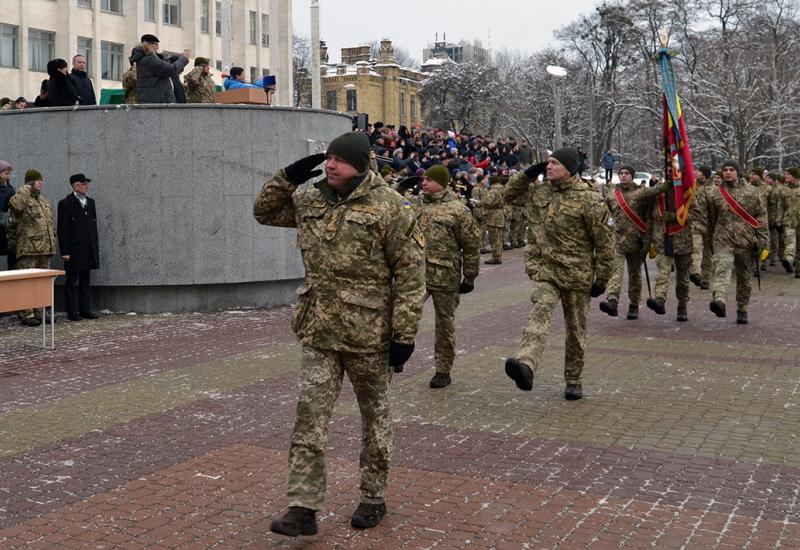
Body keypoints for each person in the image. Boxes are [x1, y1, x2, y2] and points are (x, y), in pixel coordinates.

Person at [253, 132, 426, 536]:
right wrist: (287, 177)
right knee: (309, 418)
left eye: (340, 160)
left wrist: (404, 335)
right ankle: (303, 506)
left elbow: (410, 276)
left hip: (370, 335)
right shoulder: (310, 199)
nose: (330, 165)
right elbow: (263, 211)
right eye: (328, 158)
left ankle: (373, 495)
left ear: (361, 165)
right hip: (319, 329)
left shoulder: (391, 207)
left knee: (374, 419)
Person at [503, 148, 614, 400]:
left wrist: (602, 279)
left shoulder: (589, 199)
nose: (548, 166)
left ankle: (573, 379)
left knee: (575, 330)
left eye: (555, 163)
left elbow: (606, 243)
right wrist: (526, 175)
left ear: (570, 168)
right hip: (547, 271)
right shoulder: (541, 191)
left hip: (577, 275)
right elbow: (507, 196)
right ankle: (526, 364)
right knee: (538, 313)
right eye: (548, 163)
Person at [410, 165, 480, 388]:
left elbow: (471, 245)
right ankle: (397, 356)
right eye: (423, 179)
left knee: (444, 326)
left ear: (441, 182)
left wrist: (470, 276)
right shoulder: (416, 205)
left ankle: (443, 369)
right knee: (404, 316)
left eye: (429, 180)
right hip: (415, 274)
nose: (424, 183)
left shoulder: (457, 210)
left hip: (445, 277)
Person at [703, 160, 768, 324]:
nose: (728, 172)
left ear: (738, 172)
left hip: (746, 242)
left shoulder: (752, 192)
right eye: (725, 170)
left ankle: (742, 308)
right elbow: (711, 218)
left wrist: (763, 242)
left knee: (744, 278)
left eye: (731, 169)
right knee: (721, 270)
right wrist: (711, 239)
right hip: (723, 240)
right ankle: (719, 301)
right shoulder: (715, 194)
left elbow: (761, 217)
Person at [599, 165, 668, 319]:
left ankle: (634, 305)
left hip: (636, 241)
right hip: (616, 240)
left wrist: (647, 240)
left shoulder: (641, 193)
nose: (623, 176)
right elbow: (606, 215)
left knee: (635, 275)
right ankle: (612, 301)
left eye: (627, 173)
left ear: (632, 176)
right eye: (621, 173)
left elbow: (655, 197)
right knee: (615, 271)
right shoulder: (612, 194)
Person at [7, 170, 56, 326]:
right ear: (29, 183)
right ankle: (27, 314)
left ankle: (40, 312)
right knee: (26, 283)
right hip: (28, 249)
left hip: (45, 249)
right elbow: (12, 219)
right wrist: (25, 189)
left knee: (42, 284)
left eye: (41, 180)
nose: (40, 182)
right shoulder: (21, 198)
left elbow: (50, 224)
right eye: (36, 180)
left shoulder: (43, 201)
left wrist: (52, 240)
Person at [57, 174, 100, 321]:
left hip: (88, 249)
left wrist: (95, 248)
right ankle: (72, 311)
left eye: (87, 183)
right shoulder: (65, 203)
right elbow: (62, 229)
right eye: (84, 183)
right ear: (75, 186)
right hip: (74, 250)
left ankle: (85, 309)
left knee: (85, 281)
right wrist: (65, 251)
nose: (87, 186)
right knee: (72, 281)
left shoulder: (91, 202)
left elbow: (93, 228)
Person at [646, 189, 693, 321]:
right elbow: (649, 218)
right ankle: (660, 299)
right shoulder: (657, 195)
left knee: (682, 278)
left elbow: (698, 215)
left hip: (682, 241)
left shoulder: (687, 192)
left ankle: (682, 305)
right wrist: (647, 240)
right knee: (663, 272)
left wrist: (675, 216)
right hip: (662, 241)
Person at [131, 35, 190, 104]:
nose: (157, 47)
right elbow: (170, 70)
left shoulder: (144, 59)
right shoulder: (149, 59)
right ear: (149, 44)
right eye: (156, 44)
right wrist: (184, 58)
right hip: (156, 103)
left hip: (152, 101)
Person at [689, 166, 714, 289]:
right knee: (695, 249)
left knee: (708, 254)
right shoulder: (692, 187)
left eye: (698, 171)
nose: (696, 172)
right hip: (696, 224)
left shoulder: (713, 189)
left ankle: (706, 279)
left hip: (709, 226)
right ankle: (697, 272)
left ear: (704, 174)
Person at [779, 167, 800, 276]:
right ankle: (788, 260)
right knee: (790, 241)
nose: (785, 176)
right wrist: (778, 220)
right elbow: (780, 206)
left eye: (788, 174)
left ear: (795, 176)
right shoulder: (783, 189)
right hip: (788, 221)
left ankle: (798, 270)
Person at [482, 175, 506, 264]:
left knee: (494, 238)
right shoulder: (502, 189)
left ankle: (496, 257)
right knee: (499, 237)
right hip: (501, 214)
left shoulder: (493, 190)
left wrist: (479, 203)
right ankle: (499, 255)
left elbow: (488, 202)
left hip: (493, 216)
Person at [0, 160, 14, 269]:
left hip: (4, 227)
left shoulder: (7, 188)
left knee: (11, 253)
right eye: (6, 173)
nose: (8, 176)